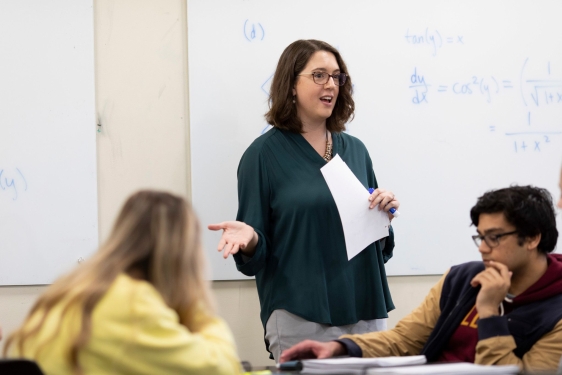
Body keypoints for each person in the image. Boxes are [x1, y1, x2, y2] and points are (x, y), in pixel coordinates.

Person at [208, 39, 400, 362]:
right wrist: (252, 239)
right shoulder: (262, 156)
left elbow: (378, 245)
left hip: (366, 307)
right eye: (319, 75)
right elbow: (256, 255)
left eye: (337, 77)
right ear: (292, 85)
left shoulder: (356, 151)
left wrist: (384, 217)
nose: (331, 85)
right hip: (300, 313)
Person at [281, 185, 562, 372]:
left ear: (533, 237)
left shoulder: (556, 313)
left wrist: (488, 314)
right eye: (480, 236)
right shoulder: (462, 278)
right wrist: (339, 346)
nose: (482, 247)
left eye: (495, 237)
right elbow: (406, 339)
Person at [4, 191, 240, 375]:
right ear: (182, 255)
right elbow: (222, 369)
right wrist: (195, 302)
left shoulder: (73, 289)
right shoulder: (131, 302)